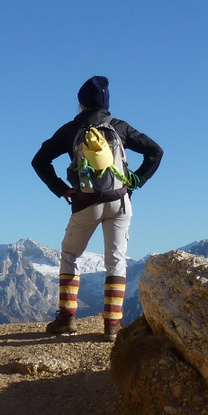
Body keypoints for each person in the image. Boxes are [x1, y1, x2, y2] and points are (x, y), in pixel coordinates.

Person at [31, 75, 162, 340]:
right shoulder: (119, 127)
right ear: (106, 104)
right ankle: (113, 326)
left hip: (85, 203)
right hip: (120, 201)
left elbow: (39, 161)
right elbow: (155, 152)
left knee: (70, 255)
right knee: (116, 261)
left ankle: (67, 319)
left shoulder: (71, 129)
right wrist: (136, 181)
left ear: (81, 104)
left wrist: (61, 189)